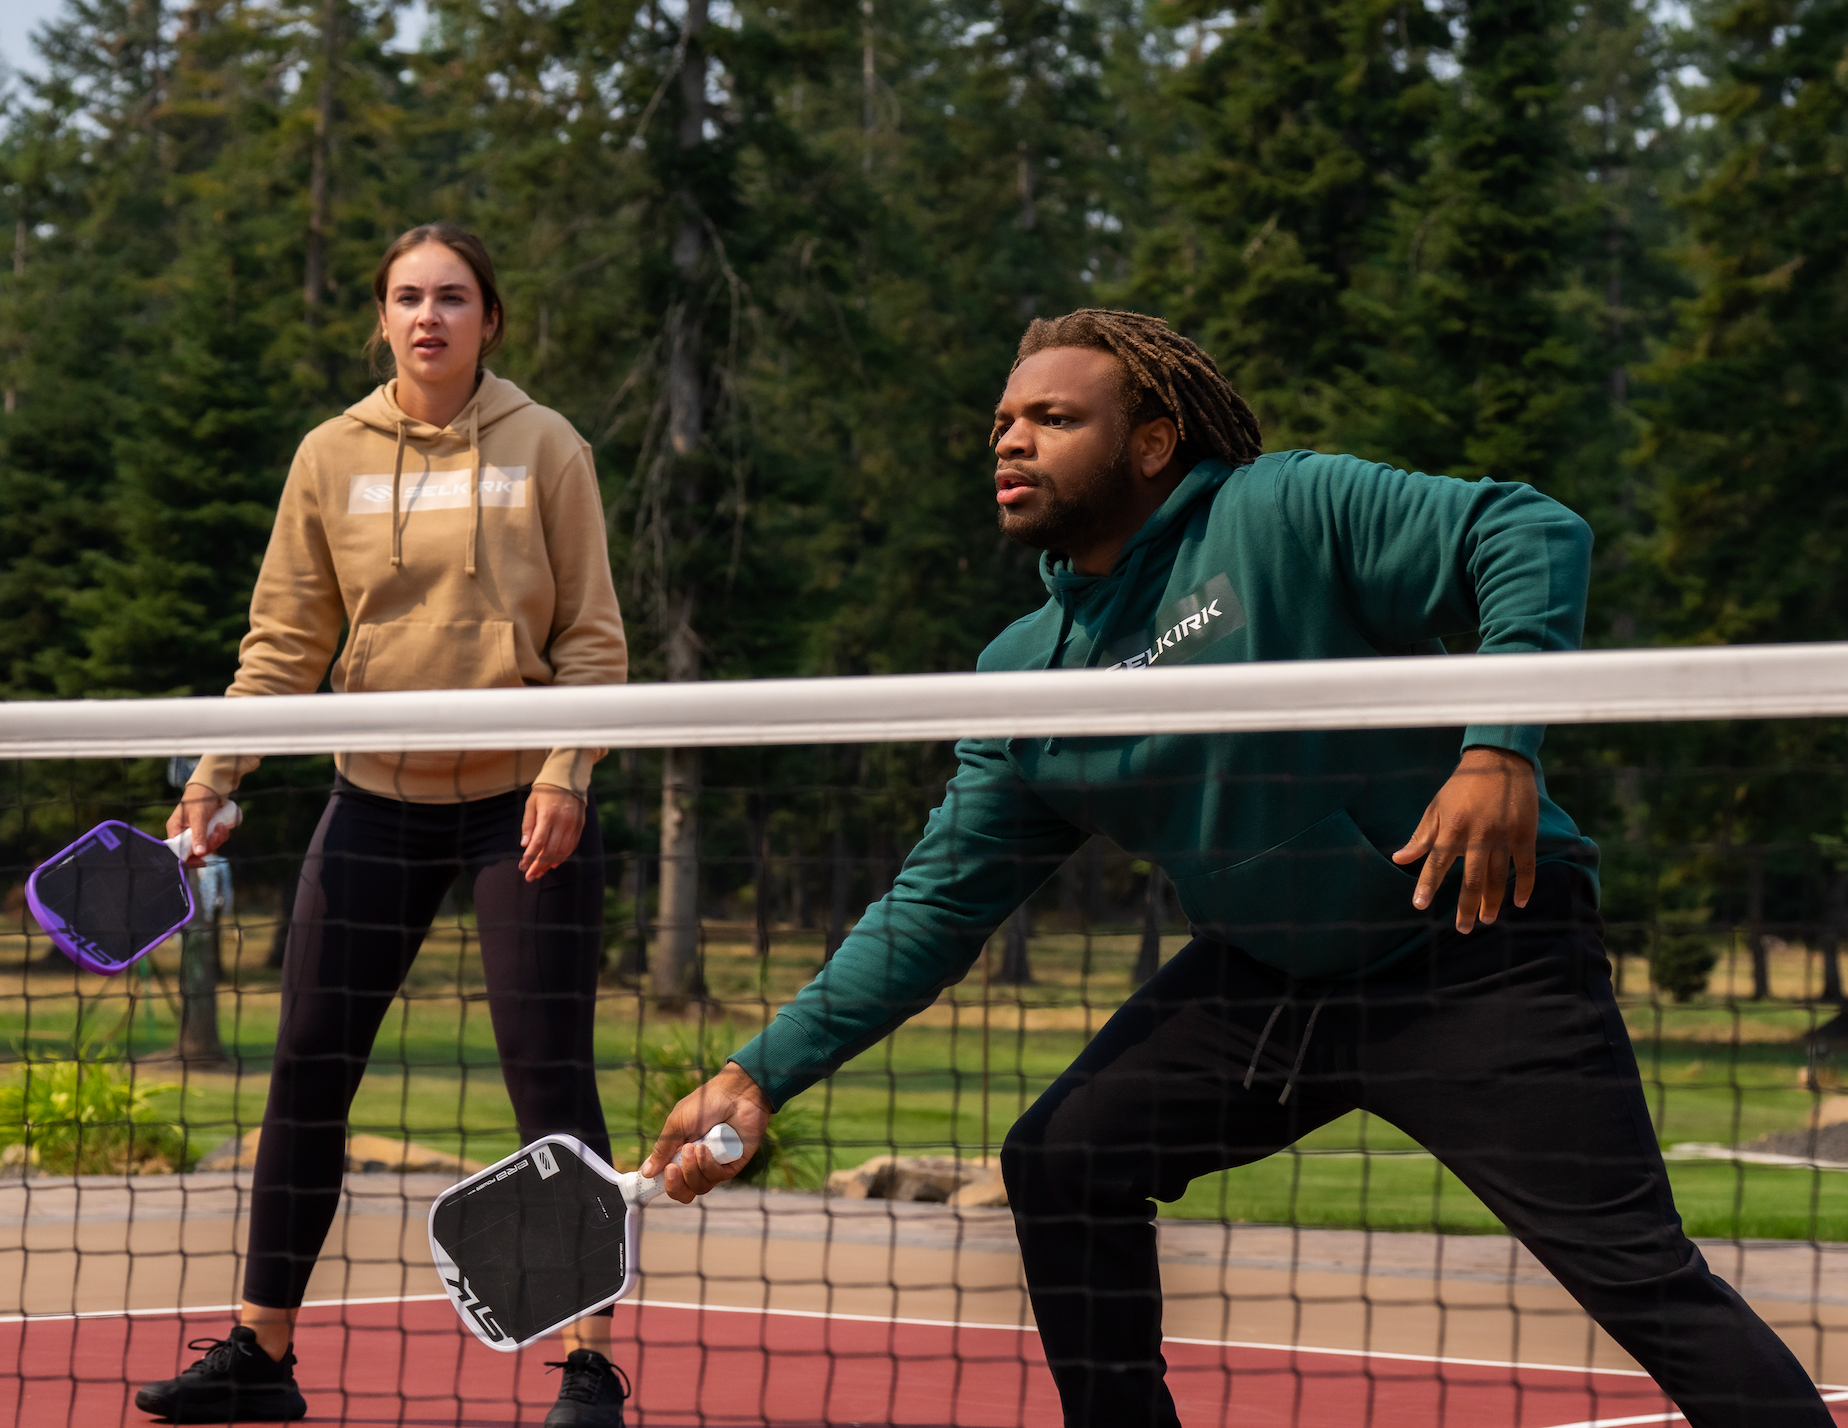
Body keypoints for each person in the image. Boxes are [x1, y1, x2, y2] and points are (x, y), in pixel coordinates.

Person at [642, 309, 1833, 1427]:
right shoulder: (1026, 674)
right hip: (1271, 983)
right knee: (1062, 1161)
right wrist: (760, 1072)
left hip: (1476, 945)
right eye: (1004, 423)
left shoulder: (1283, 508)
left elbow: (1529, 530)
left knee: (1636, 1274)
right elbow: (932, 909)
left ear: (1152, 441)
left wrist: (1497, 744)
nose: (1011, 438)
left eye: (1055, 418)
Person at [134, 224, 635, 1427]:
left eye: (453, 298)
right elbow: (284, 642)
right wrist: (215, 771)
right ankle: (260, 1356)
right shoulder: (330, 455)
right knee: (306, 1070)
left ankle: (590, 1366)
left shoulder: (546, 446)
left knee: (550, 1083)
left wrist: (566, 773)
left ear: (489, 320)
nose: (429, 317)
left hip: (521, 807)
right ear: (380, 318)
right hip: (375, 803)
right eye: (407, 298)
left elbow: (596, 644)